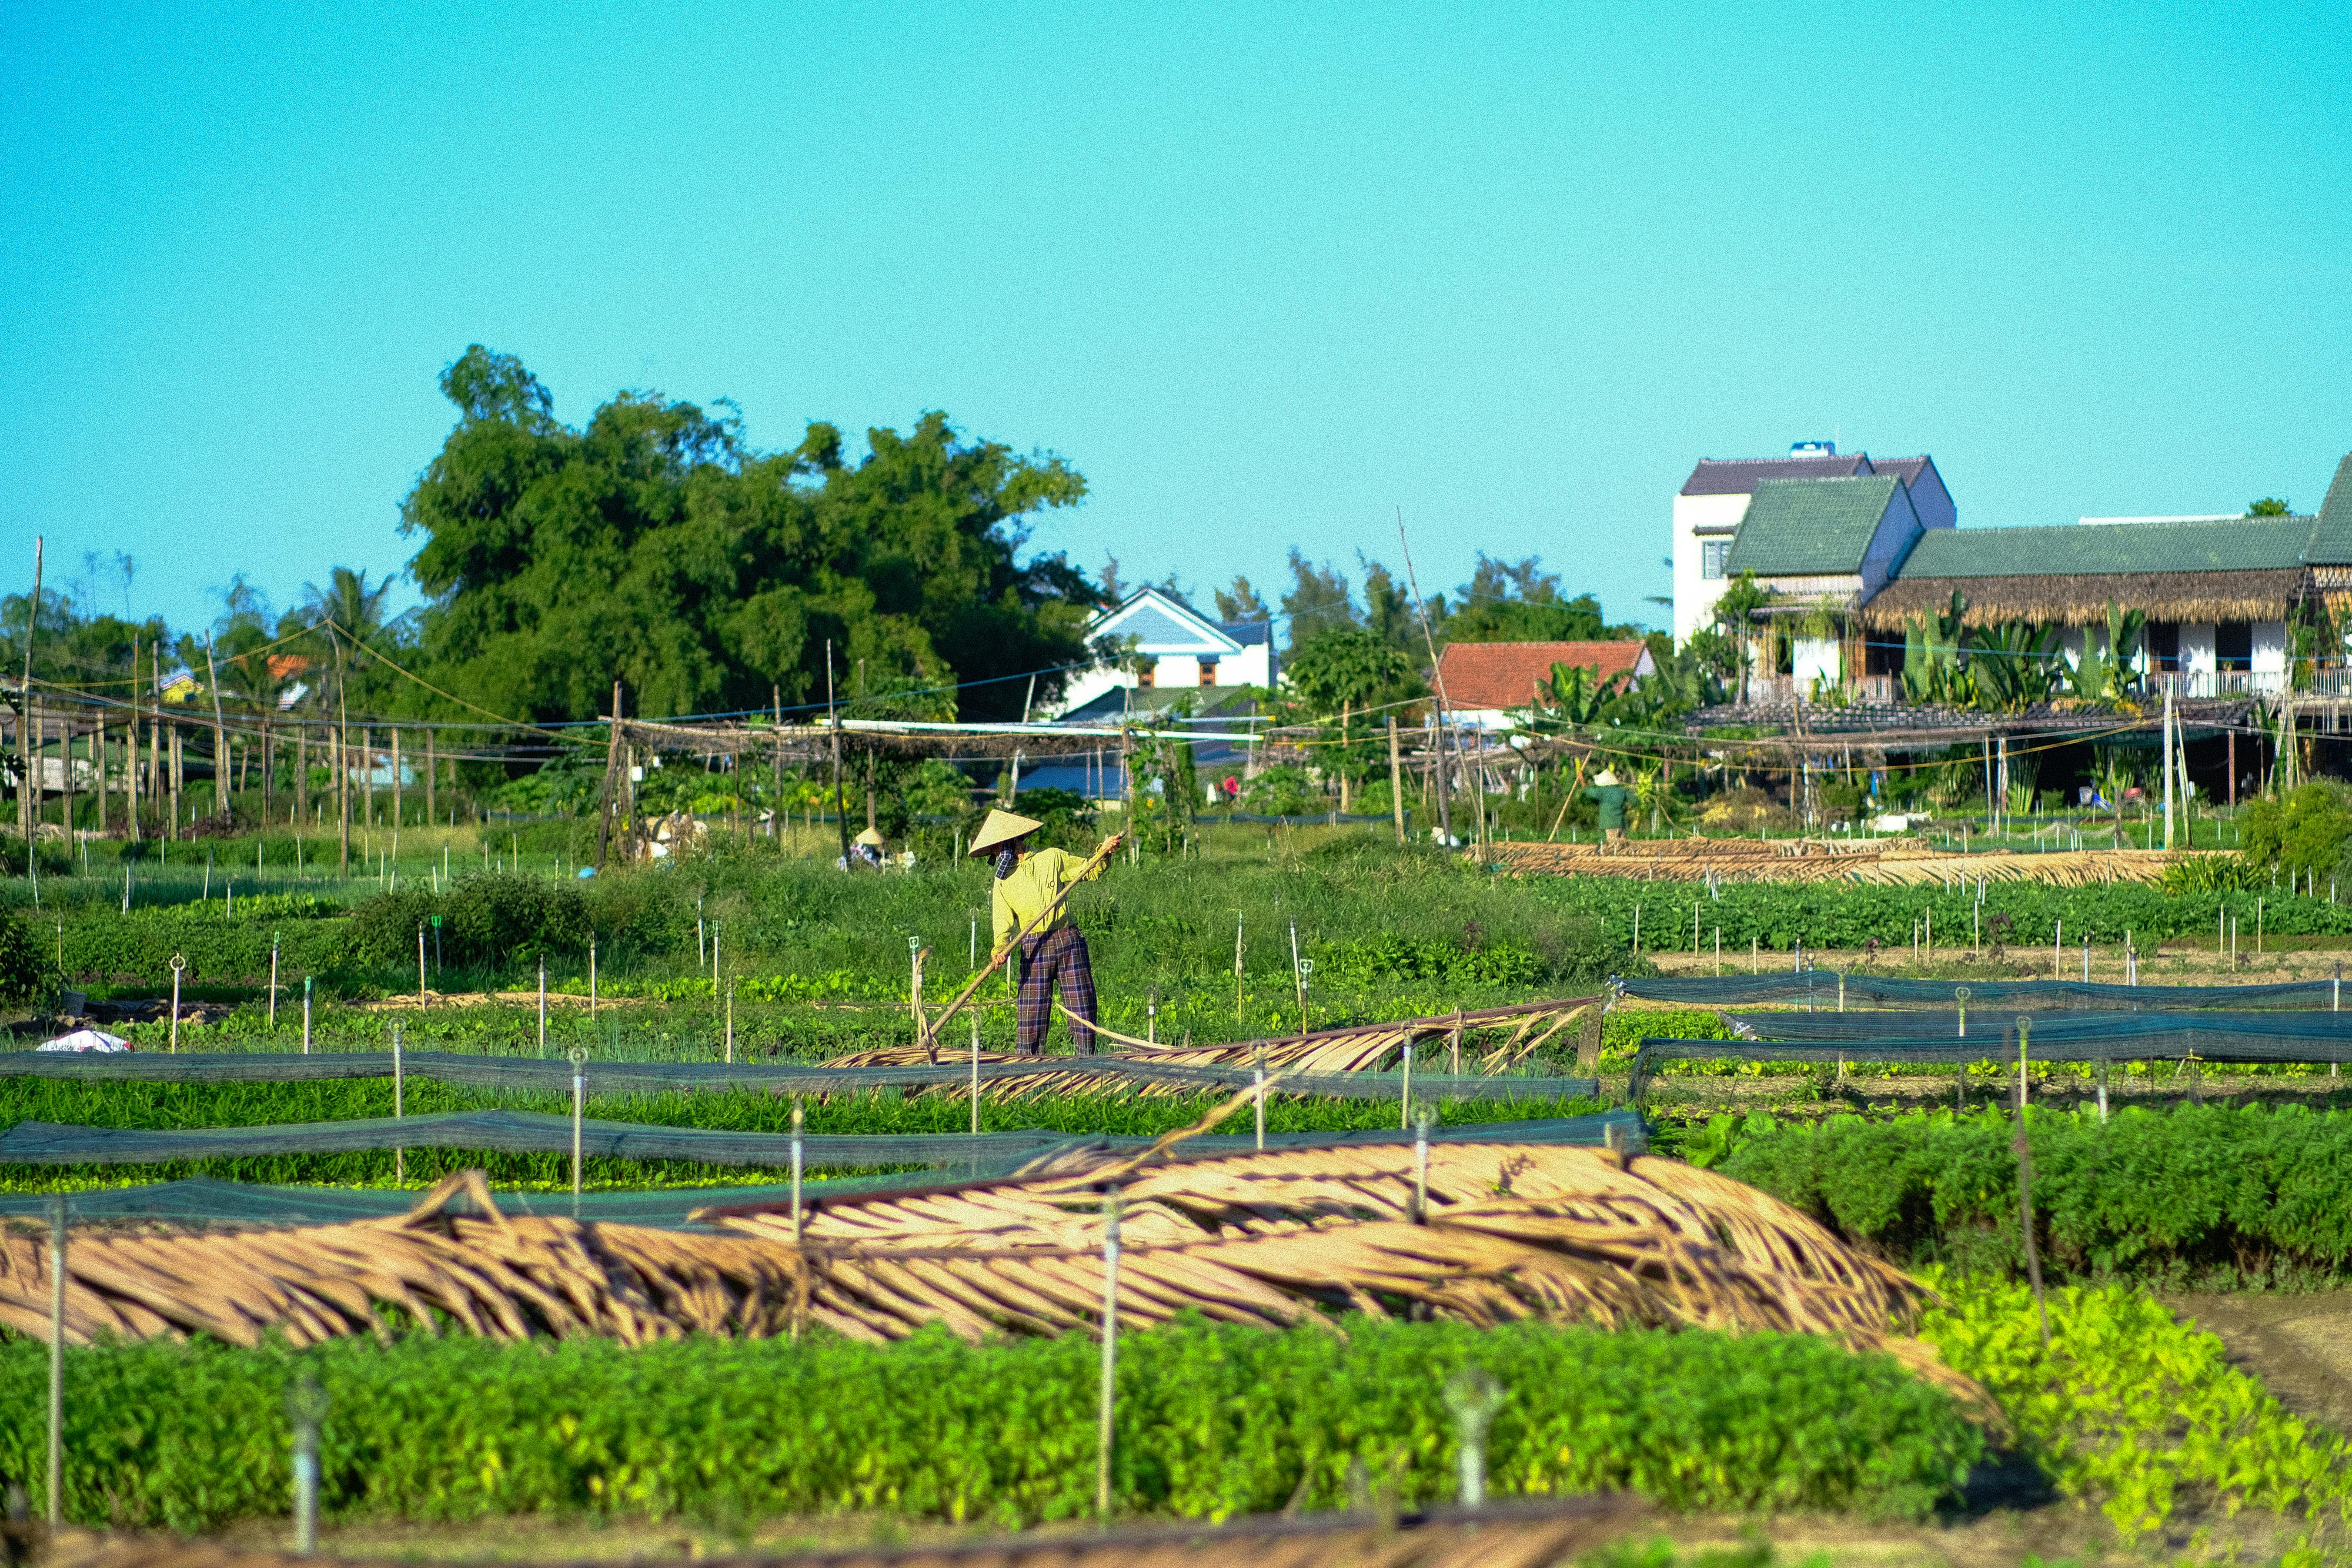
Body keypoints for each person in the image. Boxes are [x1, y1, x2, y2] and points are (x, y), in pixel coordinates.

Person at [971, 807, 1124, 1055]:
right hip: (1033, 946)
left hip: (1067, 940)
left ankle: (1086, 1067)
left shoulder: (1051, 858)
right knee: (1031, 1016)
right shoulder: (1003, 880)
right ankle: (1030, 1073)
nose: (996, 855)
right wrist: (999, 949)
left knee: (1082, 1009)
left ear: (1012, 842)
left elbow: (1090, 869)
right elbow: (1002, 926)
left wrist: (1104, 852)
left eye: (998, 849)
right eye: (993, 851)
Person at [1587, 768, 1630, 844]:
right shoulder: (1621, 790)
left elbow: (1588, 792)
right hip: (1621, 823)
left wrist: (1582, 780)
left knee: (1614, 844)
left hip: (1611, 824)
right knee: (1622, 844)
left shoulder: (1603, 791)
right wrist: (1626, 809)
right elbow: (1635, 801)